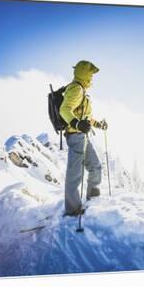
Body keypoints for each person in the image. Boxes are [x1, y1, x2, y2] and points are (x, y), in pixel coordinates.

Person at [59, 60, 108, 216]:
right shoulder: (76, 89)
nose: (92, 78)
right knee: (75, 175)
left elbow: (86, 117)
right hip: (76, 136)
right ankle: (73, 210)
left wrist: (99, 125)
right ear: (84, 74)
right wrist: (77, 124)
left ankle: (93, 201)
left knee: (95, 167)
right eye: (91, 74)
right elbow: (64, 110)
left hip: (83, 136)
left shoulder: (81, 91)